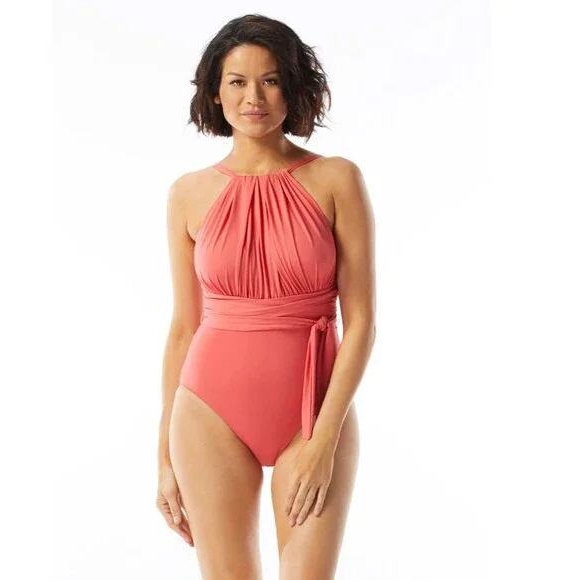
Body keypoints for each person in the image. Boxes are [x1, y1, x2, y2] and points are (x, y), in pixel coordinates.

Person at [156, 13, 376, 580]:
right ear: (215, 92)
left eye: (271, 80)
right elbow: (183, 328)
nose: (253, 97)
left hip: (314, 411)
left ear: (293, 87)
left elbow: (361, 322)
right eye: (237, 82)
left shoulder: (337, 179)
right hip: (207, 410)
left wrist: (325, 439)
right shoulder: (187, 193)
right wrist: (163, 457)